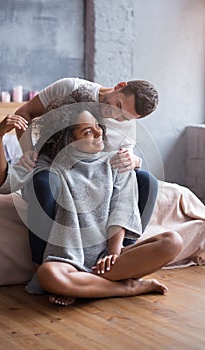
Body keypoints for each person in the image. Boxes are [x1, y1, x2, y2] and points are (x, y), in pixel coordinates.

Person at [0, 106, 183, 306]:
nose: (99, 132)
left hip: (108, 258)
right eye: (88, 131)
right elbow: (3, 183)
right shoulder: (48, 165)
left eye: (98, 126)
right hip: (68, 261)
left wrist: (113, 253)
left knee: (172, 241)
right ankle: (129, 287)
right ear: (69, 140)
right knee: (48, 274)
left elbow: (123, 207)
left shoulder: (117, 160)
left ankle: (84, 286)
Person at [11, 77, 159, 267]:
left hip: (99, 176)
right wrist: (29, 151)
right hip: (58, 168)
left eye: (124, 117)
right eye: (118, 105)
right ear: (119, 86)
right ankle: (45, 264)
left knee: (147, 181)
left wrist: (135, 160)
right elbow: (24, 112)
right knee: (44, 180)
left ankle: (116, 256)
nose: (115, 116)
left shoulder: (127, 124)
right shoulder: (70, 88)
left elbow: (126, 158)